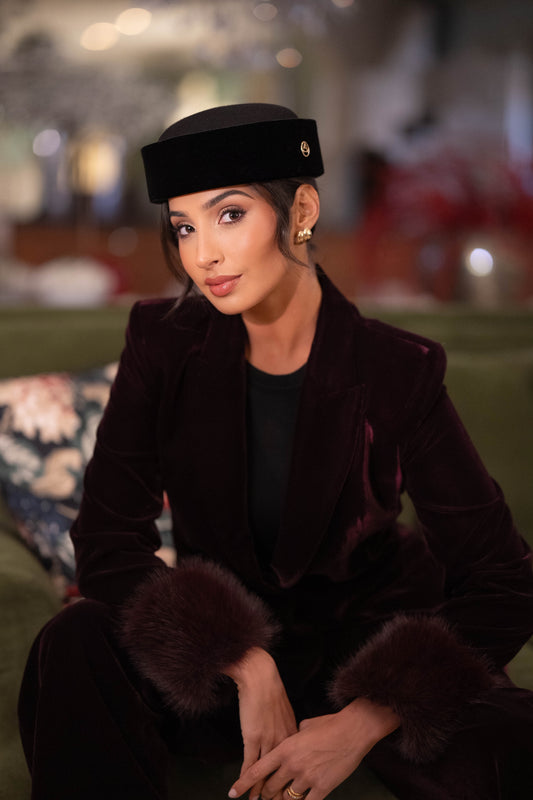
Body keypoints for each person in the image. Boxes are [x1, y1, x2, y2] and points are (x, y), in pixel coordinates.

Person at [18, 103, 533, 800]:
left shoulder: (396, 369)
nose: (203, 254)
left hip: (361, 655)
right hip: (220, 660)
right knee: (76, 636)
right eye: (184, 226)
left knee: (505, 737)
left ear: (301, 212)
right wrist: (240, 659)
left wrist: (365, 718)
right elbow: (106, 539)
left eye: (229, 215)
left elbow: (502, 578)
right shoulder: (162, 343)